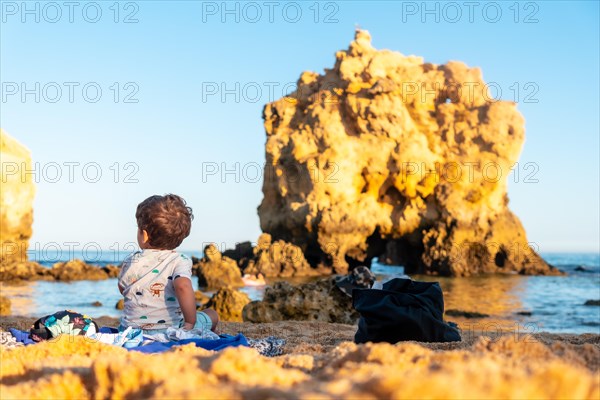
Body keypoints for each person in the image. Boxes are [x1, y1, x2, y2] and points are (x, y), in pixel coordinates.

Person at [118, 194, 219, 336]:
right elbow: (183, 286)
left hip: (129, 331)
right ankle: (207, 330)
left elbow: (122, 288)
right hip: (170, 331)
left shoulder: (130, 260)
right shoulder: (180, 260)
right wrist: (190, 322)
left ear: (144, 235)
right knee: (211, 314)